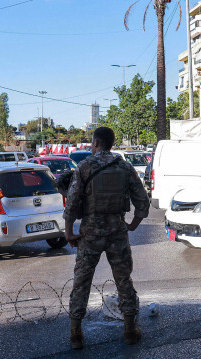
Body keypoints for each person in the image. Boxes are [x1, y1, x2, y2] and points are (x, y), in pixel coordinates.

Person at [64, 127, 150, 349]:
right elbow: (143, 201)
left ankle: (76, 335)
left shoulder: (84, 166)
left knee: (82, 282)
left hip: (89, 234)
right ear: (111, 144)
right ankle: (130, 331)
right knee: (124, 281)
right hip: (117, 234)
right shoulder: (125, 166)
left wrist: (68, 232)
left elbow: (72, 202)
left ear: (95, 142)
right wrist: (132, 225)